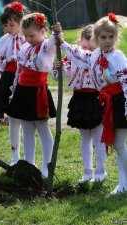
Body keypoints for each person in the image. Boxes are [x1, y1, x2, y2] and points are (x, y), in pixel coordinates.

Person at [57, 13, 127, 195]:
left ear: (116, 37)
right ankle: (123, 183)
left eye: (111, 37)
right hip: (109, 102)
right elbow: (78, 55)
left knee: (119, 144)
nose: (108, 40)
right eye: (103, 37)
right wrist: (62, 43)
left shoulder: (118, 56)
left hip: (120, 102)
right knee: (118, 144)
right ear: (96, 38)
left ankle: (124, 182)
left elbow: (126, 82)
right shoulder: (95, 55)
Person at [52, 25, 107, 184]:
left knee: (98, 137)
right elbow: (60, 76)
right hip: (79, 98)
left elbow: (82, 57)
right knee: (84, 138)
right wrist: (58, 68)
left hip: (95, 98)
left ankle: (101, 171)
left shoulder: (95, 55)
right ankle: (87, 172)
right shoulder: (73, 56)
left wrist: (63, 43)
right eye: (83, 45)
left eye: (90, 46)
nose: (85, 49)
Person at [8, 13, 57, 178]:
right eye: (26, 35)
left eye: (32, 35)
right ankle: (30, 165)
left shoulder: (45, 46)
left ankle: (46, 166)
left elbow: (53, 42)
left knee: (42, 129)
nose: (28, 39)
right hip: (23, 92)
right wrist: (14, 90)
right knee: (27, 129)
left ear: (43, 31)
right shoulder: (24, 47)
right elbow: (19, 71)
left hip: (37, 93)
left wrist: (57, 33)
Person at [0, 2, 26, 165]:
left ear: (21, 22)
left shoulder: (29, 37)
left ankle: (29, 158)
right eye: (5, 25)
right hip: (8, 78)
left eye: (11, 24)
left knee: (27, 120)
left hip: (25, 79)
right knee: (13, 120)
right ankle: (15, 156)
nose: (8, 28)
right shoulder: (4, 40)